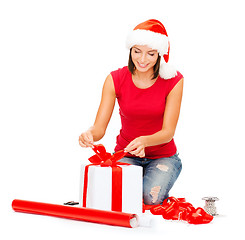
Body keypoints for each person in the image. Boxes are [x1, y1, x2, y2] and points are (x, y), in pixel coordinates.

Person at [79, 19, 184, 206]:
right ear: (130, 50)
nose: (142, 60)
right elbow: (99, 128)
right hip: (126, 154)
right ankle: (140, 179)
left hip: (163, 156)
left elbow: (168, 132)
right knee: (122, 197)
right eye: (137, 51)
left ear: (160, 54)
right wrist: (89, 134)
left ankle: (156, 178)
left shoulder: (174, 80)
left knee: (148, 199)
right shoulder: (115, 79)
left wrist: (145, 141)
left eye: (150, 54)